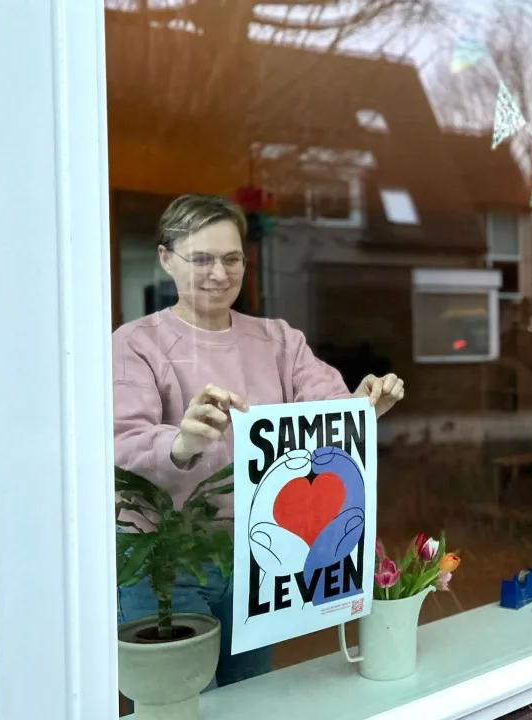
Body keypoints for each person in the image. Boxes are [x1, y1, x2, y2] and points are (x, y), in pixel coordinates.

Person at [112, 194, 404, 688]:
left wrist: (363, 406)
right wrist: (181, 442)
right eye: (201, 259)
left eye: (231, 259)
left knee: (251, 695)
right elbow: (121, 447)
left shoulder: (279, 340)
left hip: (260, 557)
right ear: (166, 258)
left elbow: (327, 412)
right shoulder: (135, 344)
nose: (219, 274)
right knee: (180, 701)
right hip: (167, 559)